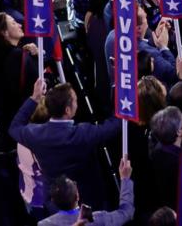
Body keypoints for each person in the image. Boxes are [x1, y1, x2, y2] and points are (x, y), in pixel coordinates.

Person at [10, 79, 121, 209]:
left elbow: (14, 127)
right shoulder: (82, 133)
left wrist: (34, 98)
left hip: (56, 203)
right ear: (68, 110)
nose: (77, 103)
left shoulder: (35, 134)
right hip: (86, 204)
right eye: (75, 100)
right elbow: (114, 125)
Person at [40, 157, 135, 226]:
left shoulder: (44, 224)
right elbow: (126, 213)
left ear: (53, 200)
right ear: (77, 196)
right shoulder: (98, 219)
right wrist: (125, 179)